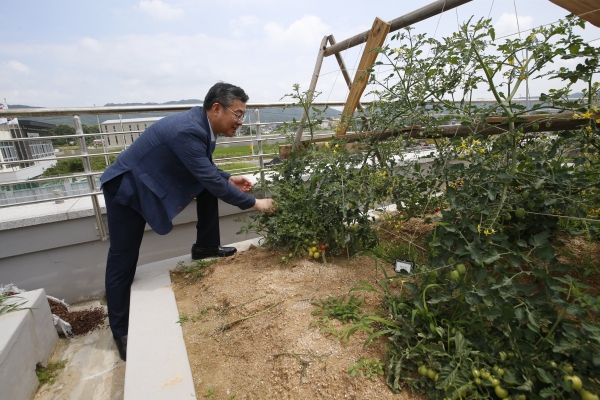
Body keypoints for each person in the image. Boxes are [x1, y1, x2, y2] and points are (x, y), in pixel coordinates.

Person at [100, 82, 274, 361]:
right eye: (238, 114)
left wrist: (228, 177)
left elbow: (203, 167)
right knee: (123, 257)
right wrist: (256, 203)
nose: (240, 121)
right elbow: (206, 176)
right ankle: (121, 330)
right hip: (127, 188)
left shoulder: (200, 124)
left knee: (207, 185)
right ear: (217, 108)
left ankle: (206, 246)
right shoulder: (189, 129)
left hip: (146, 179)